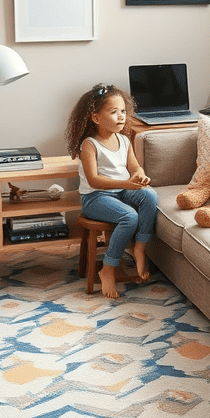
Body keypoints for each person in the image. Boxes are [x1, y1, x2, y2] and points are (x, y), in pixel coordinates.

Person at [65, 83, 157, 299]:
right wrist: (126, 184)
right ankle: (108, 267)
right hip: (96, 198)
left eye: (123, 111)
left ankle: (140, 247)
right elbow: (94, 180)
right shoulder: (90, 144)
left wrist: (139, 176)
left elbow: (134, 167)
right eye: (114, 112)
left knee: (150, 196)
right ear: (96, 118)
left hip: (121, 192)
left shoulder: (124, 140)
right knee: (129, 216)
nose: (121, 116)